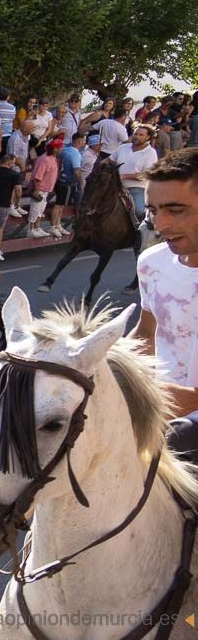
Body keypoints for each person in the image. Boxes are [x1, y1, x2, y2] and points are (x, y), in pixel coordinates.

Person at [132, 149, 198, 460]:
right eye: (153, 210)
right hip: (161, 420)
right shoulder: (151, 263)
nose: (160, 223)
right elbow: (147, 334)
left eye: (176, 210)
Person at [112, 125, 158, 222]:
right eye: (136, 134)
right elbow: (109, 160)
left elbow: (146, 174)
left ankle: (139, 233)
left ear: (148, 137)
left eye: (141, 135)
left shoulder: (150, 152)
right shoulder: (123, 147)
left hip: (136, 187)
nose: (137, 136)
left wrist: (124, 176)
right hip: (116, 186)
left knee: (139, 211)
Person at [50, 132, 85, 237]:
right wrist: (81, 182)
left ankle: (58, 225)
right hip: (68, 182)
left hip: (60, 180)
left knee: (61, 205)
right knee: (59, 205)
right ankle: (53, 226)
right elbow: (77, 170)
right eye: (84, 140)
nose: (85, 143)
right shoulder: (75, 154)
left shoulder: (65, 150)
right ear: (79, 141)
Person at [26, 139, 61, 238]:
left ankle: (37, 227)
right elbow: (37, 177)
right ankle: (31, 229)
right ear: (54, 149)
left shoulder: (53, 158)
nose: (60, 150)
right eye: (58, 148)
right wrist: (37, 190)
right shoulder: (44, 159)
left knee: (40, 210)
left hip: (46, 189)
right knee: (35, 209)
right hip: (39, 189)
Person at [0, 88, 17, 155]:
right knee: (4, 156)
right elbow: (12, 119)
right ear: (8, 97)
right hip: (7, 134)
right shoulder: (12, 108)